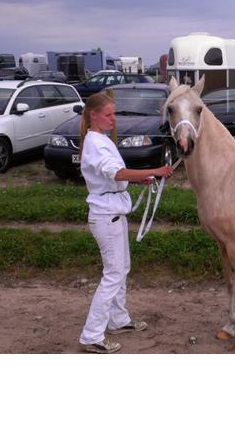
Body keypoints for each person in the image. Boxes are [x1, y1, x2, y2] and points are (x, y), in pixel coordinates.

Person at [77, 92, 173, 353]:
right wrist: (154, 171)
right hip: (106, 216)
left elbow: (114, 177)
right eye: (108, 114)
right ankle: (91, 335)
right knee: (113, 274)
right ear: (93, 115)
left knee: (121, 269)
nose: (113, 119)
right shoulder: (96, 143)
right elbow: (117, 173)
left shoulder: (101, 140)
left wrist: (138, 179)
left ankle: (118, 319)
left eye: (114, 114)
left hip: (112, 213)